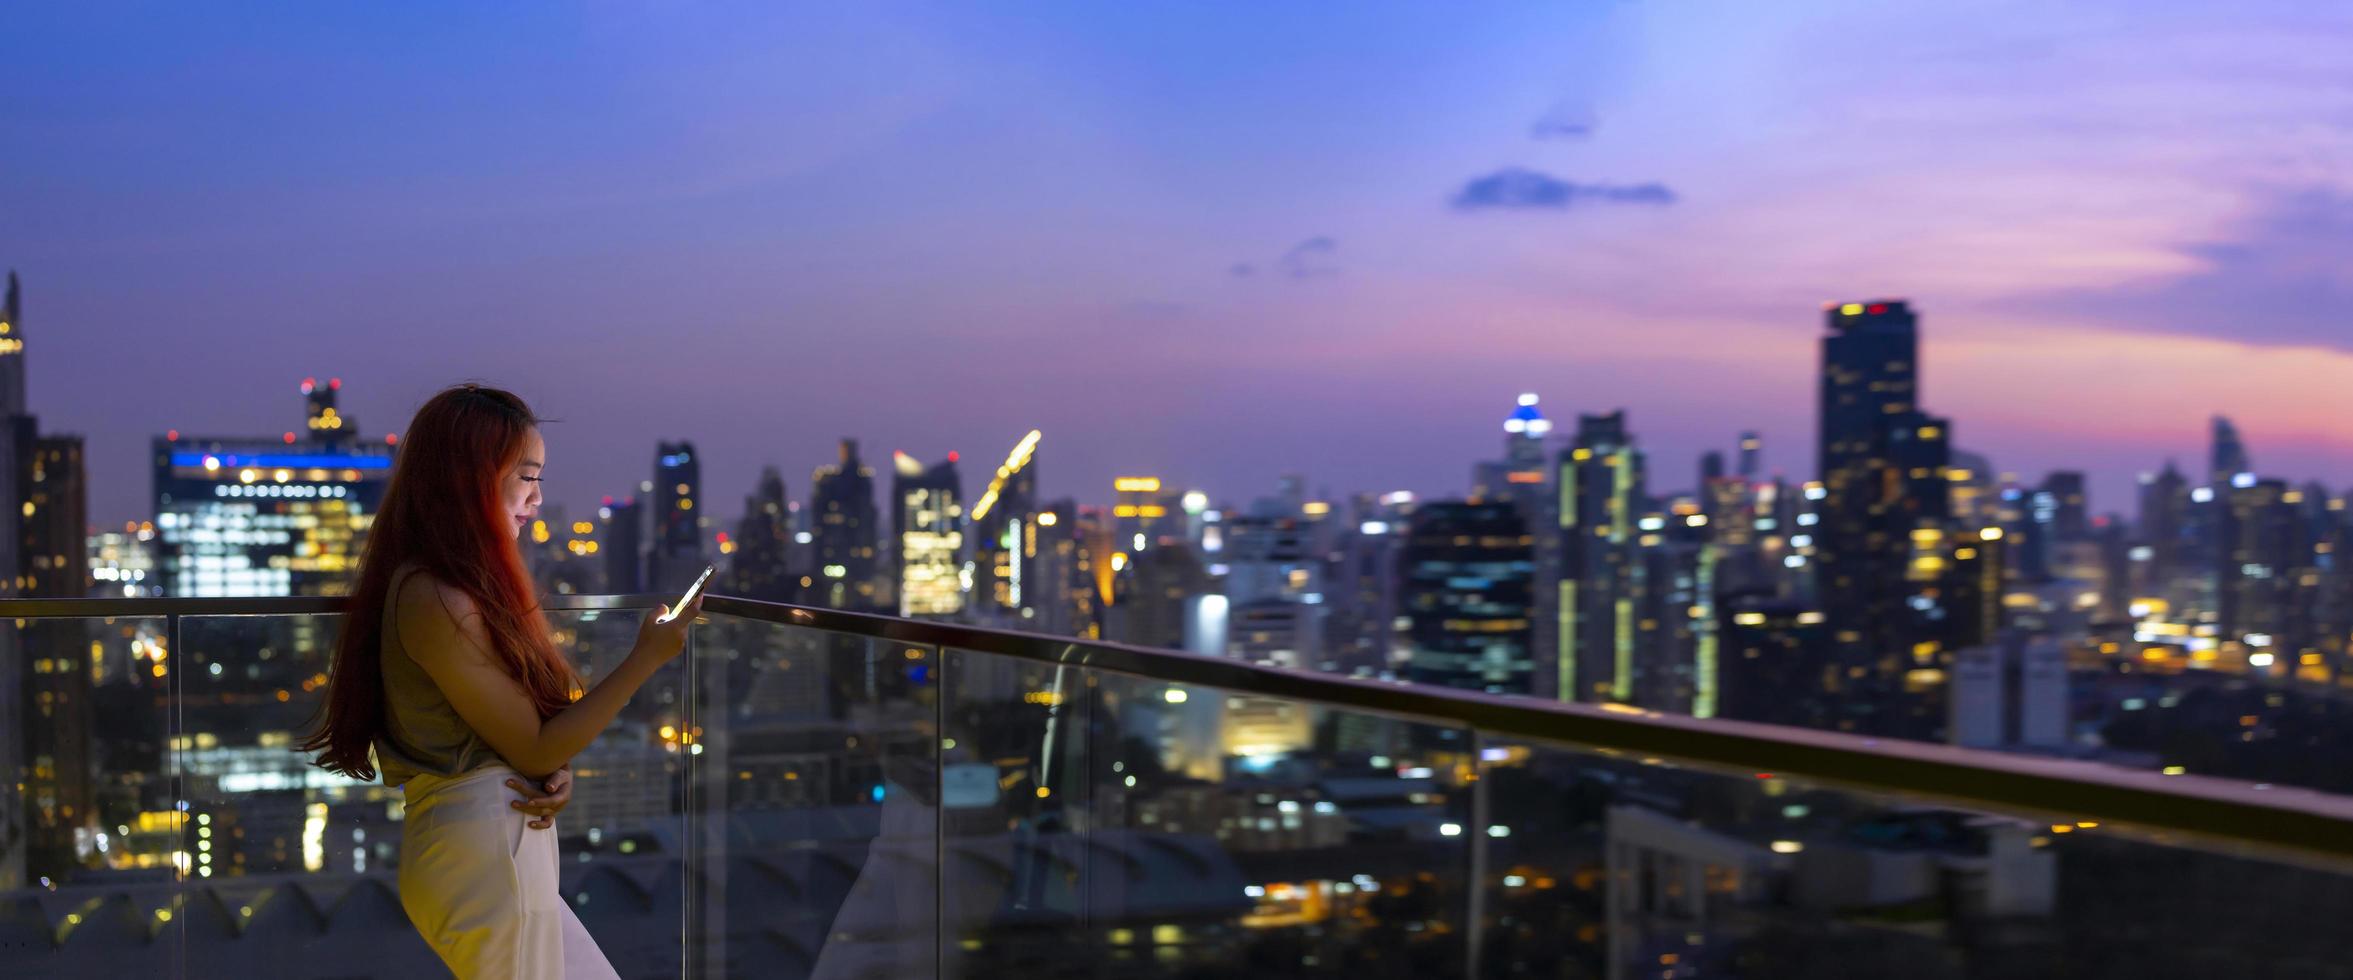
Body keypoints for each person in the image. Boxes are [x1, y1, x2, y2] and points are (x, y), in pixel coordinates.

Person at [300, 382, 702, 978]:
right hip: (483, 853)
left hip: (491, 841)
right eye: (528, 477)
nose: (538, 498)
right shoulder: (437, 597)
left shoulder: (442, 586)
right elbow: (533, 742)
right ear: (470, 478)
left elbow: (518, 735)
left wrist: (547, 770)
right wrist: (646, 657)